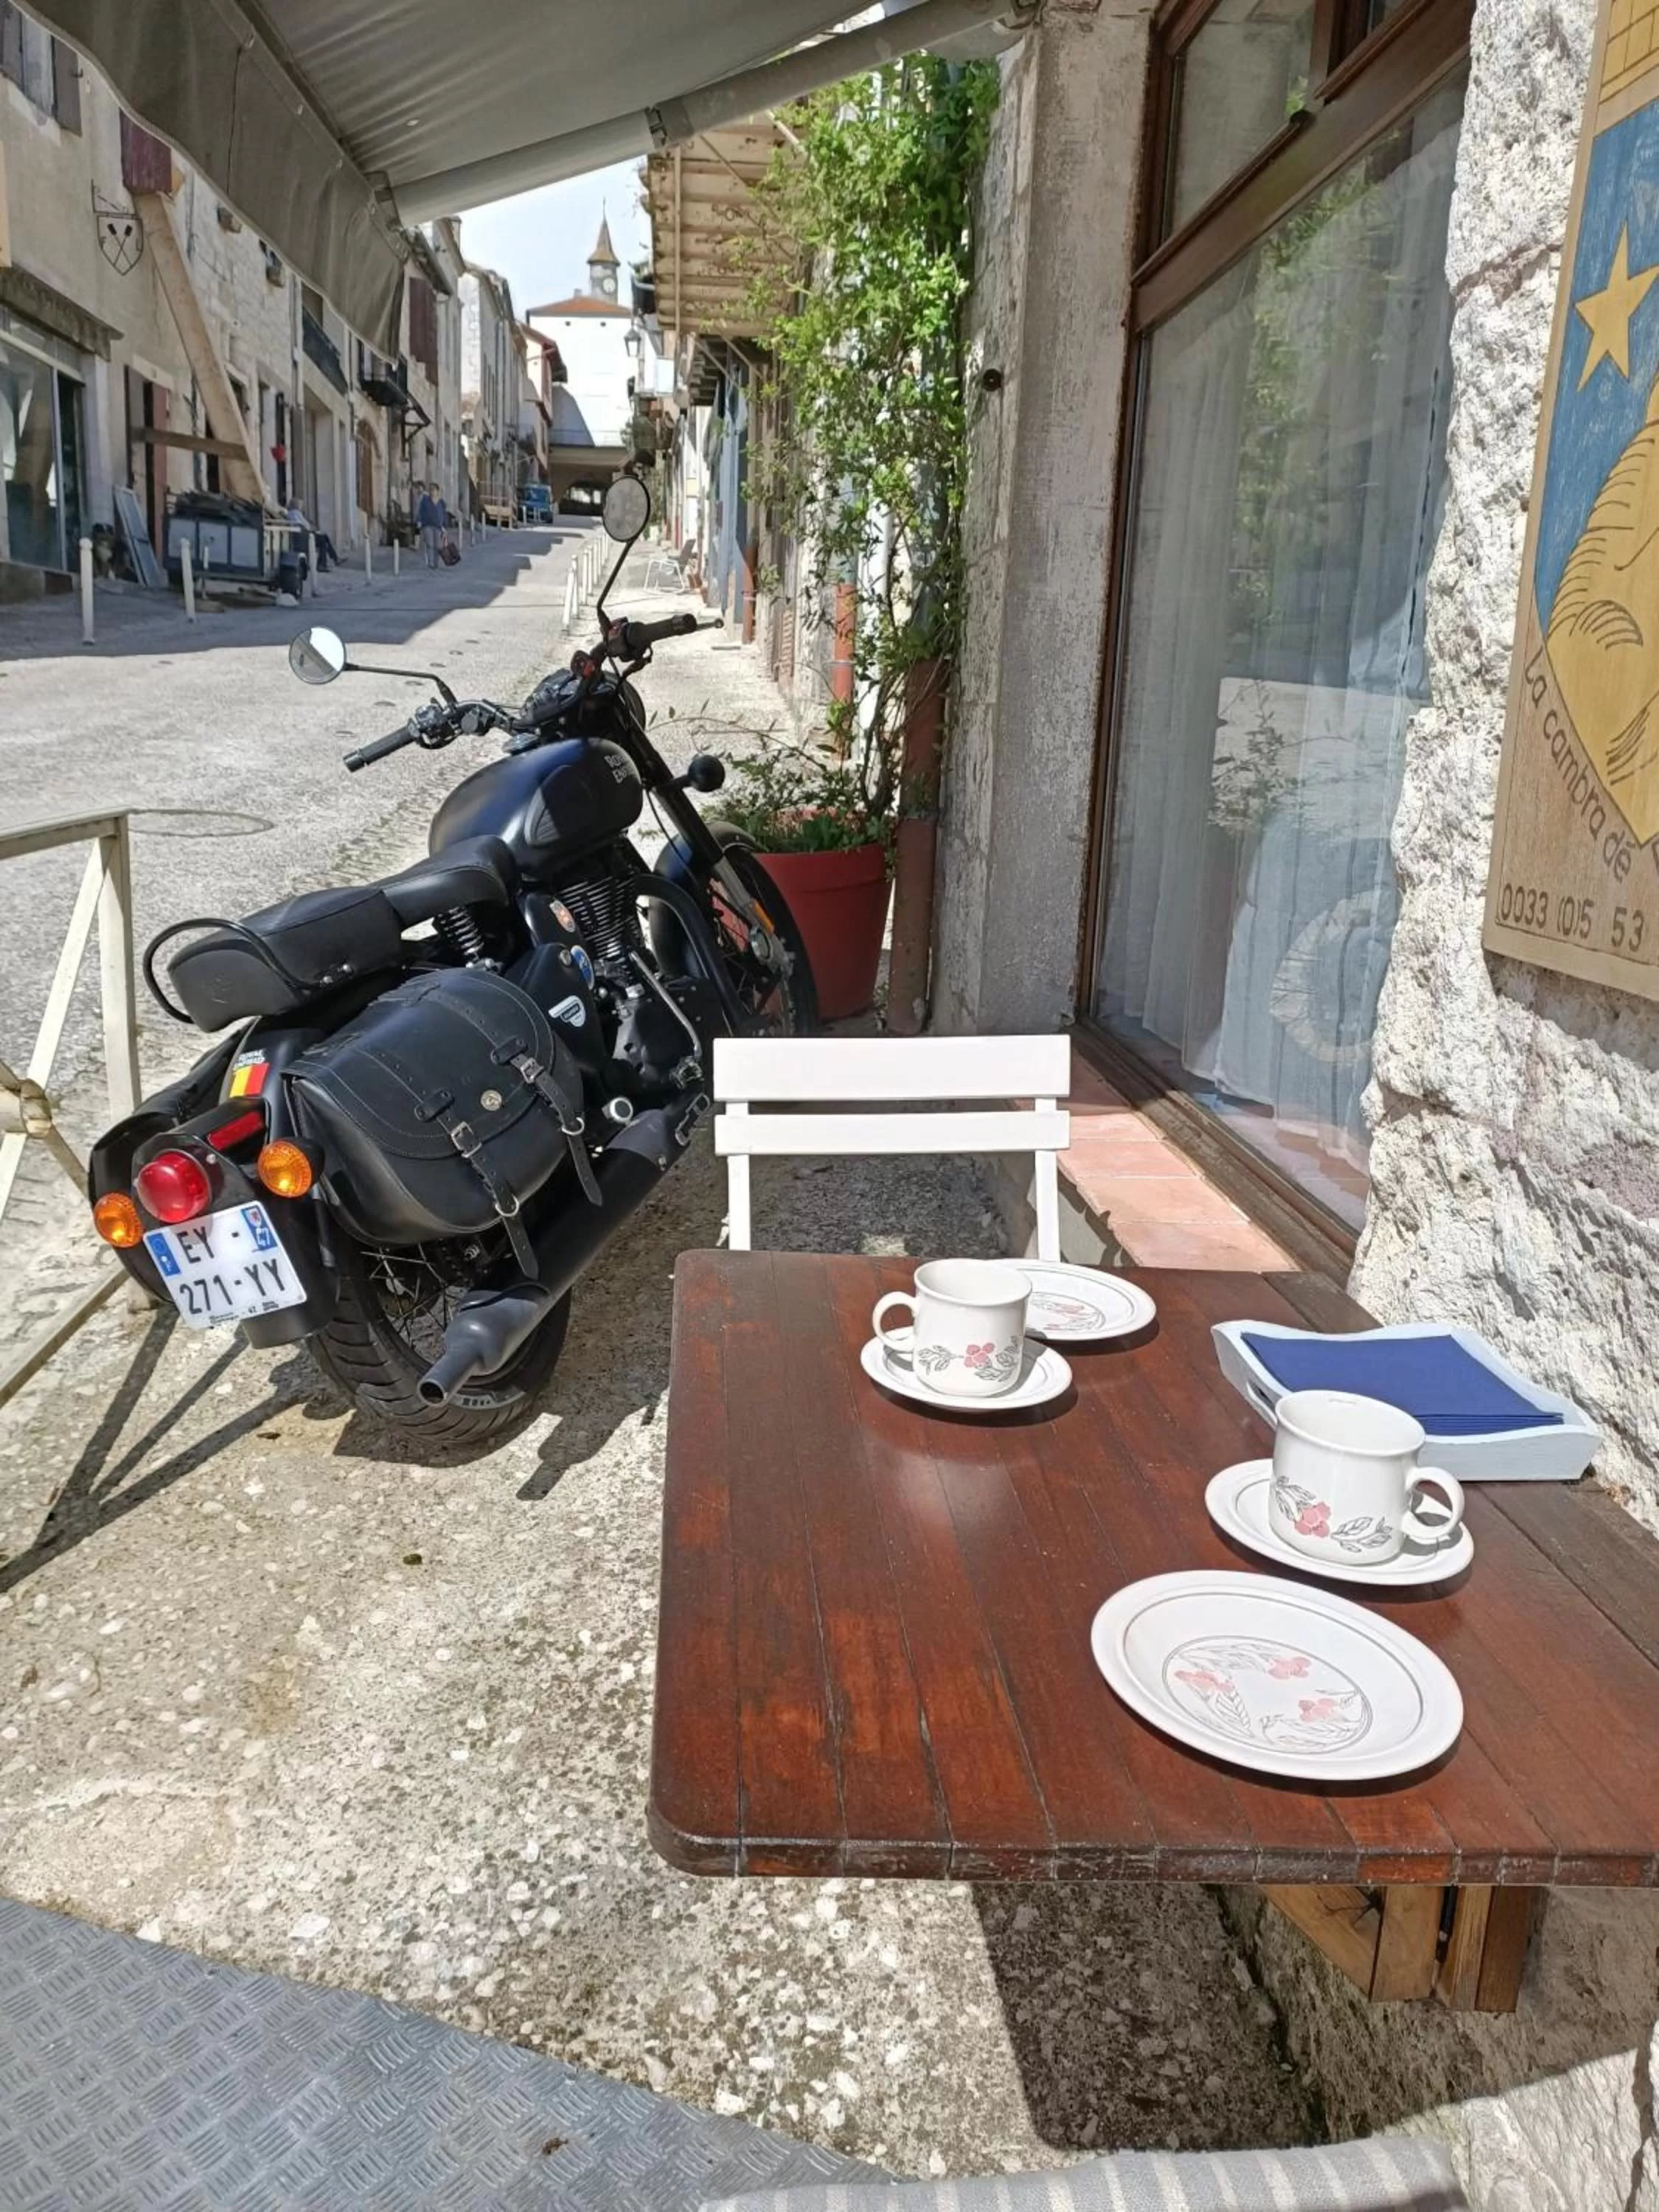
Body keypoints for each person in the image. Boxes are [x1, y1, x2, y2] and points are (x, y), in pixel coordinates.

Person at [286, 500, 337, 571]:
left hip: (303, 535)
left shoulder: (293, 513)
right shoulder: (295, 512)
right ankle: (325, 562)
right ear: (296, 505)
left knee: (324, 537)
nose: (302, 507)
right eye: (301, 505)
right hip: (303, 537)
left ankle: (333, 558)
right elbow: (305, 525)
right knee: (323, 540)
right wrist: (312, 529)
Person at [416, 481, 445, 569]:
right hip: (427, 525)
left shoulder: (441, 502)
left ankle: (436, 562)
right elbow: (420, 511)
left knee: (438, 545)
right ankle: (431, 563)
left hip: (438, 526)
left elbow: (444, 515)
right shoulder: (425, 500)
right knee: (430, 544)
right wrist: (419, 521)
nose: (432, 492)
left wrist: (444, 526)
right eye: (430, 490)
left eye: (433, 490)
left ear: (438, 491)